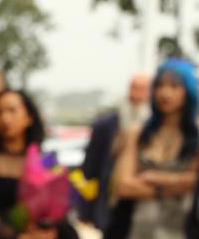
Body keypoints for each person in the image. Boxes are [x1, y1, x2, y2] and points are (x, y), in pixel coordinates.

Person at [0, 89, 79, 238]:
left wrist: (48, 229)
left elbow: (60, 205)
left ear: (29, 117)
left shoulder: (45, 159)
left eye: (12, 110)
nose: (5, 118)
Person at [113, 59, 199, 239]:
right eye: (160, 86)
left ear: (189, 91)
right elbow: (123, 186)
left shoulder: (195, 136)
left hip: (182, 229)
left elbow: (194, 181)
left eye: (175, 86)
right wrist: (173, 186)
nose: (165, 93)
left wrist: (153, 177)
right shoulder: (138, 133)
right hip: (138, 227)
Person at [79, 72, 152, 230]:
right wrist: (86, 210)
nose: (137, 95)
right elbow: (89, 170)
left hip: (144, 207)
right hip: (110, 204)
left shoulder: (157, 128)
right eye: (134, 88)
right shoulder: (106, 125)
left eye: (142, 89)